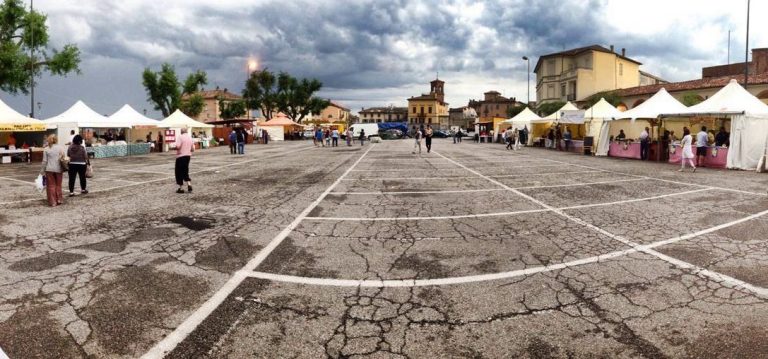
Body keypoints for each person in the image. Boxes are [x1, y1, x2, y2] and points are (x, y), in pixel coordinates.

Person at [39, 134, 66, 206]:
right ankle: (59, 199)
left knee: (51, 186)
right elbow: (63, 157)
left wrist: (42, 171)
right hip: (59, 169)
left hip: (49, 169)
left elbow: (44, 161)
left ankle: (53, 202)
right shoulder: (60, 148)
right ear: (56, 139)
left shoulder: (46, 149)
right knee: (58, 185)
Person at [174, 128, 194, 194]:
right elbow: (192, 149)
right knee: (185, 170)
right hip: (188, 156)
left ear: (181, 132)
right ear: (187, 131)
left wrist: (174, 148)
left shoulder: (180, 137)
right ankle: (189, 184)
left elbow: (178, 146)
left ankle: (181, 188)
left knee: (179, 172)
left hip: (180, 156)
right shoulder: (190, 138)